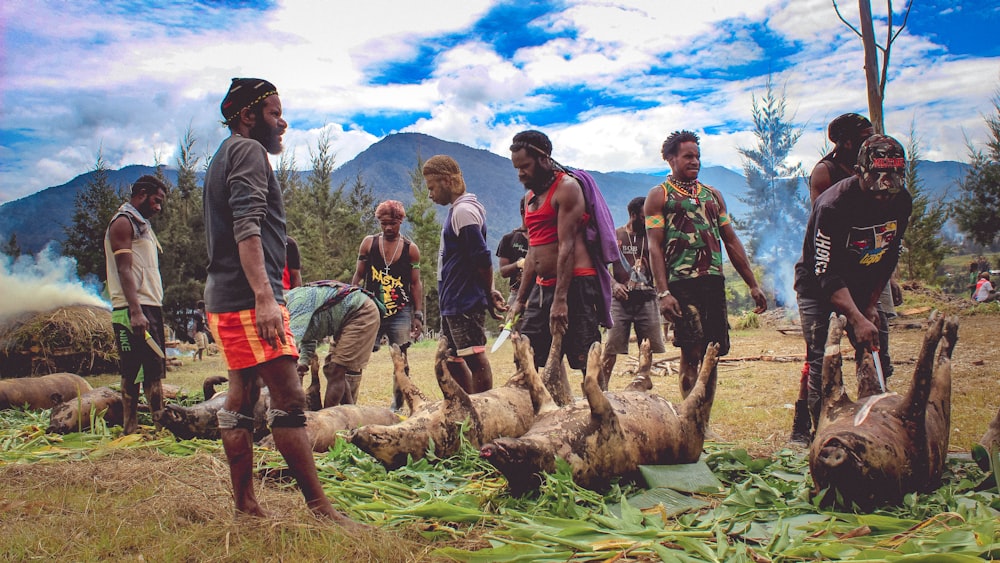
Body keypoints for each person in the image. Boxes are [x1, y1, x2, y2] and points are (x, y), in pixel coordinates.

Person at [203, 77, 350, 523]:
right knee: (289, 400)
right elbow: (247, 226)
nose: (282, 122)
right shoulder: (248, 151)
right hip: (250, 299)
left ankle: (246, 506)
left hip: (225, 297)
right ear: (248, 116)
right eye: (273, 113)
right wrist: (266, 298)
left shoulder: (222, 157)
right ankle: (322, 510)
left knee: (241, 397)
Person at [794, 134, 912, 431]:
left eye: (890, 189)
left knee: (876, 354)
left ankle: (873, 429)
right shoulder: (833, 205)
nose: (883, 196)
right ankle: (819, 431)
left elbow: (888, 257)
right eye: (877, 189)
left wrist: (870, 306)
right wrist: (855, 317)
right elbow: (826, 273)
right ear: (859, 172)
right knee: (823, 360)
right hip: (818, 286)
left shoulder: (902, 202)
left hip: (864, 282)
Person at [645, 130, 767, 399]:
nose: (695, 161)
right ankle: (690, 420)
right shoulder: (659, 196)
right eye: (688, 156)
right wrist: (663, 292)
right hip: (681, 285)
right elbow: (654, 247)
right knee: (691, 351)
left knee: (712, 353)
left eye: (698, 156)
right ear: (670, 159)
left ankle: (704, 420)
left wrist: (753, 284)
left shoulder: (713, 196)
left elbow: (732, 241)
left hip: (713, 282)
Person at [507, 130, 604, 377]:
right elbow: (533, 252)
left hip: (577, 284)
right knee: (527, 354)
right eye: (517, 168)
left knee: (587, 361)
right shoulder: (530, 197)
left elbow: (566, 246)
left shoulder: (567, 189)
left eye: (525, 167)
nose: (520, 174)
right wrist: (520, 299)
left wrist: (561, 299)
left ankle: (599, 411)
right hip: (542, 286)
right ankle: (538, 411)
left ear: (544, 159)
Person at [423, 154, 505, 394]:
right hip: (452, 300)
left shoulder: (464, 212)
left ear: (447, 181)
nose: (430, 194)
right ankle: (466, 407)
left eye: (432, 187)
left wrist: (487, 292)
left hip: (464, 300)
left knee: (474, 359)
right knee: (450, 358)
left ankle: (483, 411)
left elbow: (482, 258)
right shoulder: (457, 211)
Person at [104, 174, 168, 435]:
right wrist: (135, 311)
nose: (158, 207)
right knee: (133, 371)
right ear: (141, 193)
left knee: (154, 368)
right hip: (134, 308)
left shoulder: (142, 225)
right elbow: (124, 270)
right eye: (156, 200)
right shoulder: (122, 223)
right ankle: (132, 427)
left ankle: (158, 423)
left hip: (149, 304)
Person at [350, 200, 423, 410]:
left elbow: (416, 283)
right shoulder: (369, 244)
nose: (388, 228)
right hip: (371, 308)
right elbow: (359, 275)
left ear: (400, 221)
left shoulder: (411, 250)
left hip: (400, 310)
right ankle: (349, 404)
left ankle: (398, 406)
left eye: (393, 223)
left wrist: (417, 314)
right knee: (356, 356)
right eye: (384, 224)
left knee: (400, 359)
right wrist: (350, 301)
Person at [600, 196, 666, 390]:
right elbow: (602, 267)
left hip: (647, 298)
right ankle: (601, 388)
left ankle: (643, 381)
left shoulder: (653, 236)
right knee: (611, 345)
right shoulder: (616, 236)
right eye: (644, 217)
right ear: (633, 215)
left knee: (647, 345)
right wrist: (613, 285)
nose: (648, 221)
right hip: (620, 300)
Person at [286, 281, 383, 408]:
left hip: (360, 312)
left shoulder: (296, 303)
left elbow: (291, 344)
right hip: (347, 317)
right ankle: (351, 413)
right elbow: (308, 336)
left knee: (336, 370)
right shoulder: (289, 309)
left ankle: (328, 418)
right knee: (333, 370)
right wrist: (303, 363)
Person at [496, 197, 529, 305]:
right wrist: (519, 264)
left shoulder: (543, 239)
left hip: (540, 294)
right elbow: (503, 272)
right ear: (522, 211)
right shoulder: (509, 239)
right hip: (516, 295)